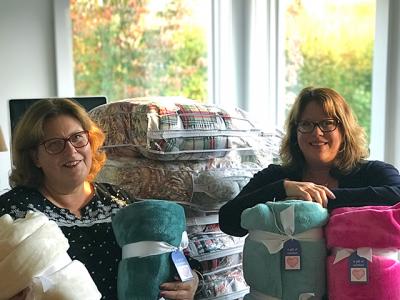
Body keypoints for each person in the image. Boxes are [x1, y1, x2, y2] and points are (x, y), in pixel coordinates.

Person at [0, 98, 199, 299]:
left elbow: (174, 253)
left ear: (91, 140)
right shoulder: (13, 210)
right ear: (35, 157)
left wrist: (192, 281)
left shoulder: (119, 201)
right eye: (54, 144)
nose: (71, 151)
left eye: (77, 137)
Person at [219, 86, 400, 237]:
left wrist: (319, 200)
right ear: (295, 132)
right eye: (306, 124)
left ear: (344, 131)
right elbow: (228, 220)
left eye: (327, 123)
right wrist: (282, 189)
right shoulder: (276, 177)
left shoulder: (374, 172)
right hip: (287, 280)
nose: (317, 133)